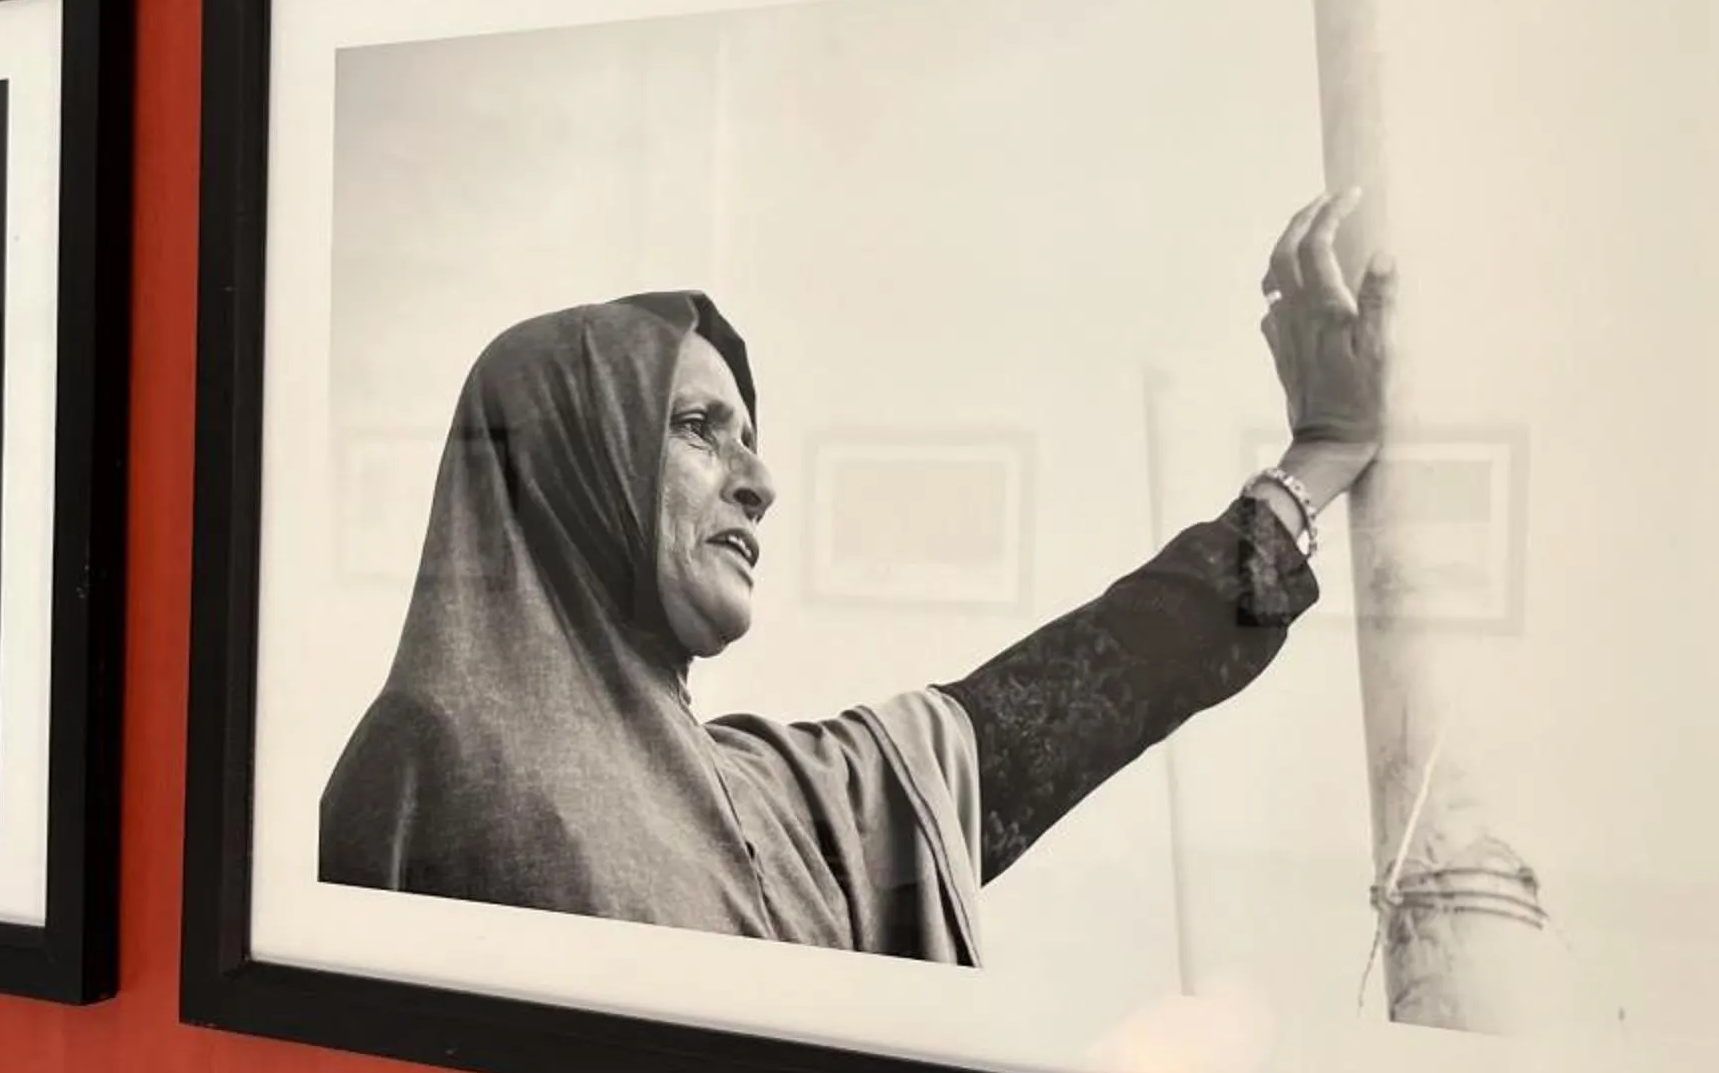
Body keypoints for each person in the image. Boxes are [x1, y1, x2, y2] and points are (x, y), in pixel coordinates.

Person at [319, 192, 1393, 961]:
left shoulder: (792, 808)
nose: (760, 483)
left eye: (750, 439)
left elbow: (1086, 688)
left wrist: (1319, 459)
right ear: (570, 460)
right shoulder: (425, 761)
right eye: (696, 428)